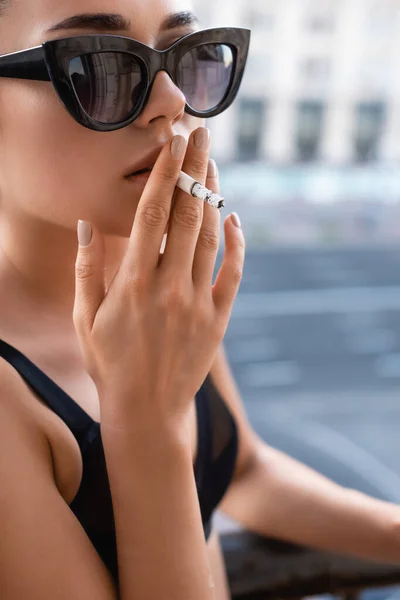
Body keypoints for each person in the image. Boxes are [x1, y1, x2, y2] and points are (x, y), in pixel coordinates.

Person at [0, 1, 400, 599]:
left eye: (191, 58)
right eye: (96, 68)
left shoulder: (154, 290)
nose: (171, 102)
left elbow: (242, 473)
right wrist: (147, 429)